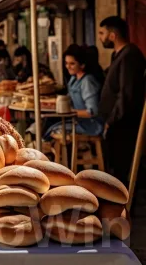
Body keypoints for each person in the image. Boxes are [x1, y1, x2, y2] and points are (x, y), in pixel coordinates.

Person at [98, 16, 146, 184]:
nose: (100, 37)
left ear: (112, 35)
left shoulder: (129, 55)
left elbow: (126, 93)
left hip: (123, 125)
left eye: (102, 33)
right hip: (116, 124)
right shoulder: (118, 55)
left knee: (122, 170)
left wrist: (111, 120)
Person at [44, 45, 105, 140]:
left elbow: (92, 111)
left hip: (91, 125)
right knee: (48, 124)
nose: (68, 66)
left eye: (72, 63)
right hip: (78, 121)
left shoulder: (87, 82)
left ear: (82, 65)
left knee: (55, 129)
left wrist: (72, 112)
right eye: (66, 63)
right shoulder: (74, 79)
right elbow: (69, 99)